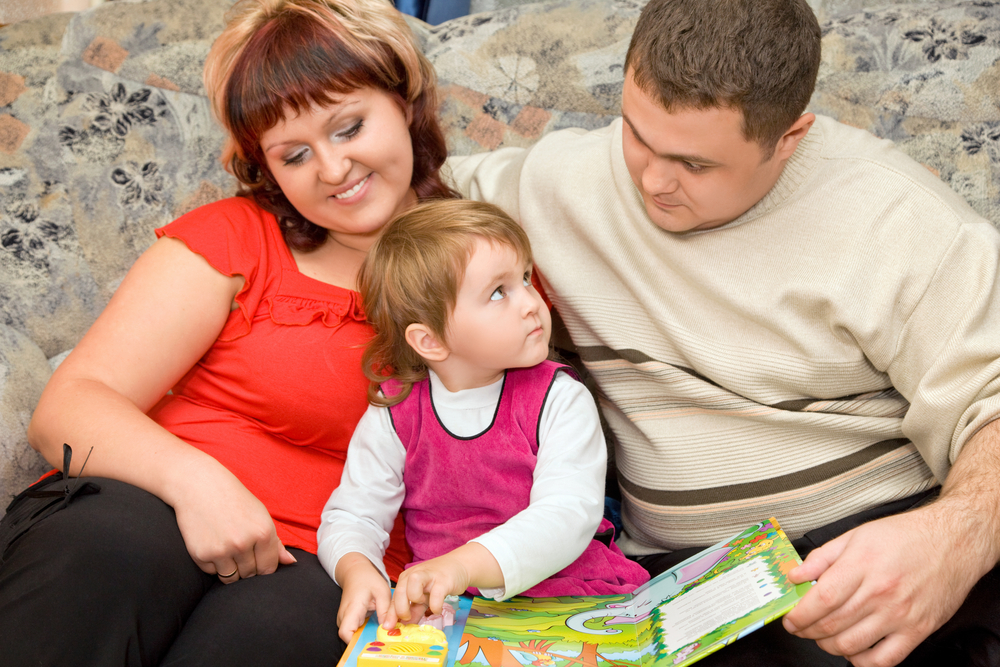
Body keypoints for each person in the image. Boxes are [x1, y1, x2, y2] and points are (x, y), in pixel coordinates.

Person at [447, 0, 1000, 665]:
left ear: (789, 137)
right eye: (636, 135)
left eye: (695, 164)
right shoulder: (559, 183)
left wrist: (952, 537)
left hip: (871, 548)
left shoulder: (901, 220)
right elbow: (396, 199)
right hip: (678, 591)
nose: (652, 180)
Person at [0, 0, 457, 664]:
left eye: (349, 127)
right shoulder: (233, 237)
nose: (333, 169)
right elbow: (68, 408)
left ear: (405, 102)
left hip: (331, 561)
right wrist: (197, 482)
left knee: (265, 635)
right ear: (266, 168)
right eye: (294, 154)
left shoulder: (481, 267)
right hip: (146, 502)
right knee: (107, 553)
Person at [317, 199, 649, 642]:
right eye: (498, 292)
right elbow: (353, 515)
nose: (531, 302)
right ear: (430, 340)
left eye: (526, 278)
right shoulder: (395, 413)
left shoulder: (559, 398)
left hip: (569, 598)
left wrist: (462, 565)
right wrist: (358, 571)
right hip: (448, 611)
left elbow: (567, 514)